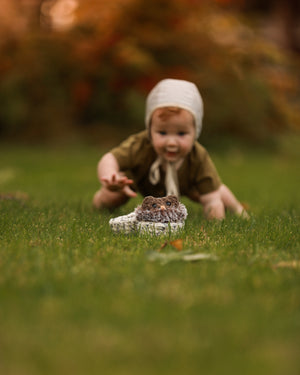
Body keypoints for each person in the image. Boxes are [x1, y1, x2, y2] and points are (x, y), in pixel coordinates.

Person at [93, 79, 248, 219]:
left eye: (181, 133)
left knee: (213, 190)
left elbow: (212, 201)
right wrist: (110, 177)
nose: (172, 142)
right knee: (114, 195)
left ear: (196, 132)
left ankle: (239, 211)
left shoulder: (197, 156)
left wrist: (215, 226)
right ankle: (99, 202)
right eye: (162, 132)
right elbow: (110, 158)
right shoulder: (140, 144)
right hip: (137, 181)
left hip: (187, 185)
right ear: (150, 129)